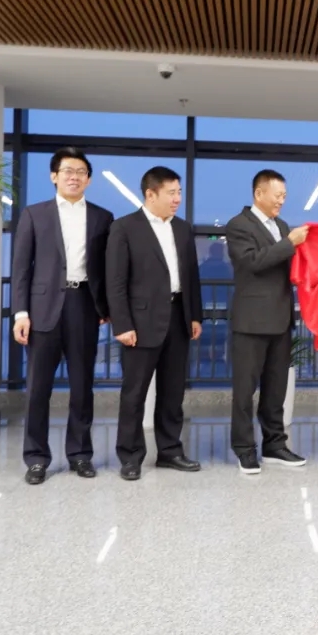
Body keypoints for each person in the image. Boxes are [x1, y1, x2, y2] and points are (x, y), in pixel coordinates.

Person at [12, 147, 113, 486]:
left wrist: (104, 307)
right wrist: (21, 313)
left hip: (83, 304)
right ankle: (36, 458)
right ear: (54, 176)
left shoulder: (102, 217)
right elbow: (21, 269)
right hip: (42, 310)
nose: (74, 177)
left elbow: (106, 269)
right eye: (68, 171)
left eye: (81, 172)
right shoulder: (34, 214)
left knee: (83, 387)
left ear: (89, 179)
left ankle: (80, 454)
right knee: (38, 389)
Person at [105, 166, 203, 481]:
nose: (177, 199)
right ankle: (130, 456)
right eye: (171, 192)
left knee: (173, 392)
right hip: (140, 322)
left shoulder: (183, 229)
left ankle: (170, 451)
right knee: (134, 393)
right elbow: (115, 282)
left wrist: (195, 315)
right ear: (150, 194)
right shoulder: (124, 227)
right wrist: (122, 324)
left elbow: (191, 276)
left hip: (178, 318)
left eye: (179, 192)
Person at [225, 169, 309, 475]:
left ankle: (275, 445)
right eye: (277, 195)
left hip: (280, 319)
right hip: (251, 322)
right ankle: (245, 449)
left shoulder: (281, 226)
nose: (282, 201)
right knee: (244, 391)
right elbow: (252, 262)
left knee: (276, 389)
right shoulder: (238, 225)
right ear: (259, 193)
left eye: (284, 196)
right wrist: (290, 243)